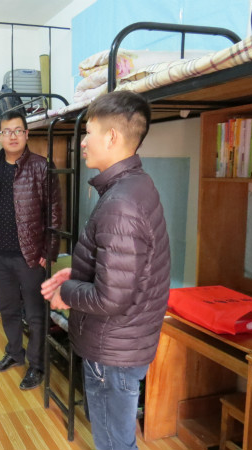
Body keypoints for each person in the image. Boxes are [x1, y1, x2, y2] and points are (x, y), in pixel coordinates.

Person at [41, 91, 171, 450]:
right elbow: (124, 270)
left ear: (112, 137)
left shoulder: (121, 203)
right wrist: (75, 275)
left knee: (114, 443)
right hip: (123, 342)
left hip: (113, 350)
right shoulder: (136, 185)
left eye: (88, 132)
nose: (82, 142)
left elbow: (112, 297)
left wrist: (66, 293)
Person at [0, 110, 62, 390]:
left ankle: (37, 365)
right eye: (7, 131)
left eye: (18, 130)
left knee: (35, 313)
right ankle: (15, 354)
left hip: (30, 255)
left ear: (27, 134)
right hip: (0, 254)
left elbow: (54, 213)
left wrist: (48, 252)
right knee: (8, 308)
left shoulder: (42, 166)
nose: (13, 136)